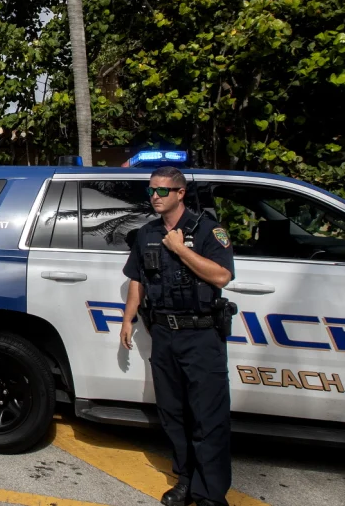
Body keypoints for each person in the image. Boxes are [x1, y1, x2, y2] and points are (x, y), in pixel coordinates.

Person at [120, 166, 236, 506]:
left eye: (163, 191)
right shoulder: (146, 234)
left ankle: (209, 494)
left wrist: (181, 249)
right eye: (152, 190)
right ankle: (185, 480)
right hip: (164, 336)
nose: (155, 196)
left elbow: (222, 276)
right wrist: (128, 320)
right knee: (173, 414)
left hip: (201, 336)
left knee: (208, 418)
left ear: (181, 193)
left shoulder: (208, 232)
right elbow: (138, 279)